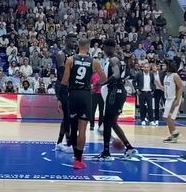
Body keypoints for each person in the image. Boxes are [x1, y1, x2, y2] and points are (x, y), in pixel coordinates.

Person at [60, 38, 106, 169]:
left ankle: (76, 155)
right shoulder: (94, 62)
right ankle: (78, 160)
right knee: (82, 129)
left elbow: (64, 81)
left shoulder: (70, 60)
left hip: (73, 94)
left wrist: (60, 99)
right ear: (89, 47)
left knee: (73, 128)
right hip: (86, 96)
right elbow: (104, 79)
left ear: (78, 46)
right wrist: (93, 84)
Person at [98, 39, 138, 160]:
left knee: (107, 122)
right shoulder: (118, 59)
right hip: (118, 91)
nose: (103, 50)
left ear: (108, 47)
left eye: (104, 47)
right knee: (112, 123)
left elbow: (115, 74)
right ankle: (129, 148)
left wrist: (103, 83)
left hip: (115, 92)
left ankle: (106, 153)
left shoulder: (113, 59)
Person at [55, 33, 78, 153]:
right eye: (73, 41)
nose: (75, 43)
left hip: (71, 86)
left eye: (76, 41)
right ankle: (69, 143)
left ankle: (59, 143)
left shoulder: (75, 54)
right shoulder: (61, 54)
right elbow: (61, 73)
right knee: (68, 116)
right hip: (63, 86)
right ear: (66, 41)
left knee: (67, 116)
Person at [162, 59, 184, 143]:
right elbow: (166, 88)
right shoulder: (166, 76)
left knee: (169, 117)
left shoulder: (175, 75)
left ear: (168, 66)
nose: (162, 66)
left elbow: (181, 87)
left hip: (174, 99)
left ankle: (175, 134)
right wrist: (159, 85)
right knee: (165, 117)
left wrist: (177, 100)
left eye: (164, 65)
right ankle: (172, 135)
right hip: (168, 99)